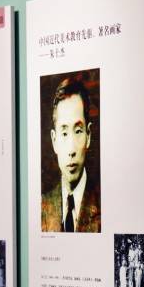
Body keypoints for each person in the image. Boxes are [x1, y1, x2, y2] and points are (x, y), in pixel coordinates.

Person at [41, 77, 101, 232]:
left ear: (88, 135)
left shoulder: (104, 205)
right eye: (64, 133)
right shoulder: (42, 208)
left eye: (78, 131)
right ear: (54, 140)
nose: (71, 150)